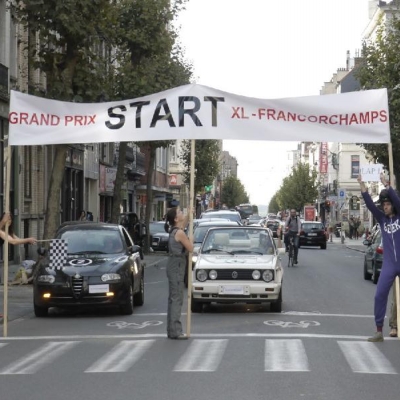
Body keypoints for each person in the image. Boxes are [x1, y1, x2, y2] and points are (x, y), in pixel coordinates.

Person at [358, 173, 400, 341]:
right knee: (379, 295)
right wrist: (363, 187)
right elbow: (370, 205)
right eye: (384, 204)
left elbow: (397, 201)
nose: (385, 207)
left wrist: (387, 186)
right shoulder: (382, 220)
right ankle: (378, 330)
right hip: (389, 264)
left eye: (388, 204)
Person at [164, 206, 193, 340]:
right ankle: (176, 331)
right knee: (177, 299)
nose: (182, 213)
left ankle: (171, 330)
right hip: (177, 266)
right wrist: (191, 239)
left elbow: (183, 225)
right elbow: (190, 248)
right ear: (176, 218)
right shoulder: (180, 233)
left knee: (173, 298)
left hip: (173, 265)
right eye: (180, 212)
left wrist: (189, 215)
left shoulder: (175, 230)